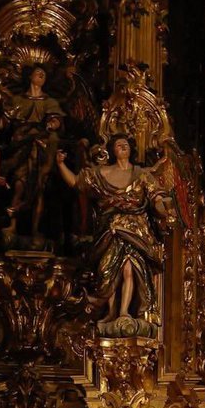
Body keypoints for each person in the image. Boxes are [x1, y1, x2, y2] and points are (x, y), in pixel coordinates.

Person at [57, 134, 170, 327]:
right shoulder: (101, 174)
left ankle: (124, 311)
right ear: (112, 151)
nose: (123, 147)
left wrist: (163, 209)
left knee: (129, 269)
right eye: (118, 145)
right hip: (109, 230)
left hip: (135, 231)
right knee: (107, 271)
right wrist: (60, 164)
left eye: (126, 144)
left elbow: (156, 197)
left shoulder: (142, 174)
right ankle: (110, 312)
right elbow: (77, 183)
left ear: (131, 150)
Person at [0, 65, 64, 239]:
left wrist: (52, 124)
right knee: (19, 184)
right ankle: (12, 225)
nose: (41, 75)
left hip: (41, 146)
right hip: (21, 146)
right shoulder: (18, 101)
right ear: (29, 77)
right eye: (38, 73)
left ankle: (36, 229)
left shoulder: (50, 102)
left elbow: (56, 120)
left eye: (44, 74)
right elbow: (3, 124)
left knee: (40, 188)